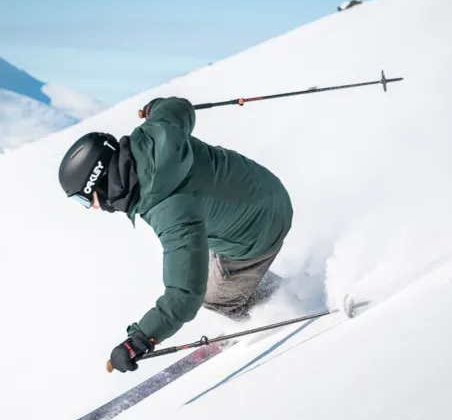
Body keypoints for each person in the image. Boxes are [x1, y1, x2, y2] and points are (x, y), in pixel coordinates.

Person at [58, 96, 293, 373]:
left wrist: (140, 338)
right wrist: (154, 107)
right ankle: (257, 283)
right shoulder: (157, 131)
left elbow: (185, 293)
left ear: (98, 182)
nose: (91, 208)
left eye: (85, 201)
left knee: (210, 294)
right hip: (264, 188)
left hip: (258, 229)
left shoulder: (168, 209)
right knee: (199, 253)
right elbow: (178, 106)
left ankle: (279, 307)